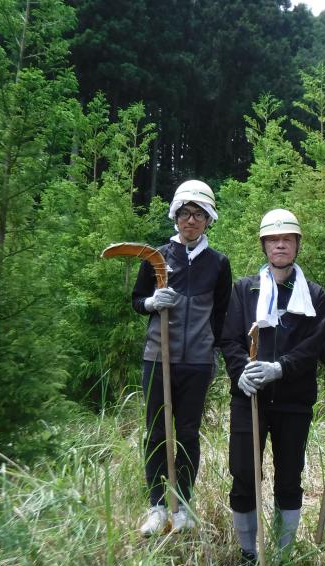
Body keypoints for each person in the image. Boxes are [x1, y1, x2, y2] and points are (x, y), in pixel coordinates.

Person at [221, 209, 325, 566]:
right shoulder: (244, 289)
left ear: (297, 244)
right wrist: (241, 372)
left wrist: (280, 368)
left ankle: (282, 554)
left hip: (293, 401)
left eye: (287, 239)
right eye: (273, 239)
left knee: (288, 477)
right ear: (264, 245)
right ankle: (249, 552)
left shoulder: (314, 294)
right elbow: (231, 338)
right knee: (244, 473)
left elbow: (312, 346)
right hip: (249, 398)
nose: (280, 245)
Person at [132, 180, 232, 535]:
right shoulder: (156, 256)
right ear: (175, 216)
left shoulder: (218, 263)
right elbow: (136, 300)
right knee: (157, 431)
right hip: (158, 357)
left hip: (197, 362)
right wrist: (150, 303)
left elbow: (221, 314)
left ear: (208, 219)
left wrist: (216, 353)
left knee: (187, 433)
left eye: (199, 214)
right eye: (186, 213)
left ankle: (183, 506)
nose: (191, 220)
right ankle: (157, 506)